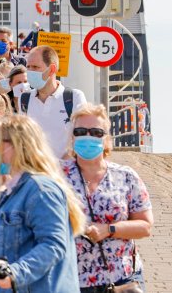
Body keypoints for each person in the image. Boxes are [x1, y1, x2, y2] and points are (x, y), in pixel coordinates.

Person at [0, 115, 84, 292]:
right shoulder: (8, 191)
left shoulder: (41, 189)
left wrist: (15, 273)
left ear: (17, 144)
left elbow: (53, 245)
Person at [61, 104, 152, 293]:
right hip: (72, 282)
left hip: (122, 279)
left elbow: (145, 226)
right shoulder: (56, 175)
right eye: (80, 131)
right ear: (72, 137)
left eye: (96, 132)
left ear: (107, 140)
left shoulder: (126, 176)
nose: (87, 136)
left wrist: (109, 229)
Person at [20, 45, 87, 158]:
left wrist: (60, 167)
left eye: (35, 67)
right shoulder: (25, 99)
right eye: (28, 67)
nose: (30, 71)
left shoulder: (74, 97)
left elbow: (83, 138)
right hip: (36, 172)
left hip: (65, 172)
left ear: (52, 69)